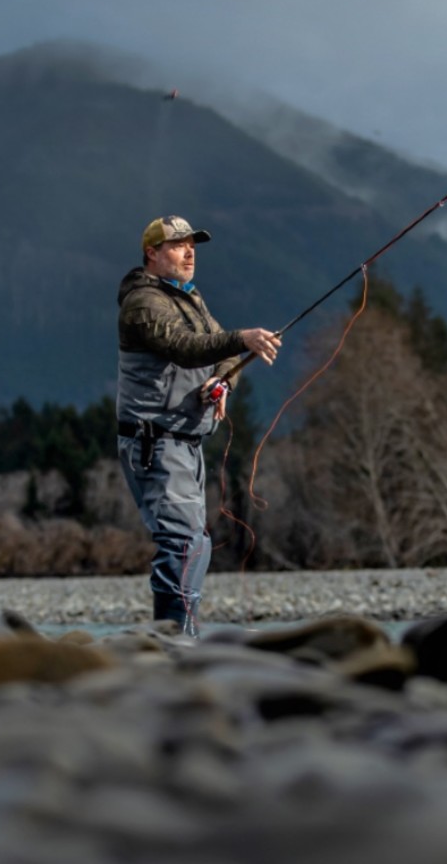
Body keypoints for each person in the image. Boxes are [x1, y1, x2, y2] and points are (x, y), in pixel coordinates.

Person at [116, 215, 281, 636]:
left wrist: (222, 381)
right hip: (155, 443)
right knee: (183, 543)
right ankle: (173, 645)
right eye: (177, 245)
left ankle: (178, 639)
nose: (189, 252)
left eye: (193, 244)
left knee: (196, 543)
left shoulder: (187, 296)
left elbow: (218, 353)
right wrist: (242, 339)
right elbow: (186, 348)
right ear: (152, 253)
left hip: (186, 443)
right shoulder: (142, 303)